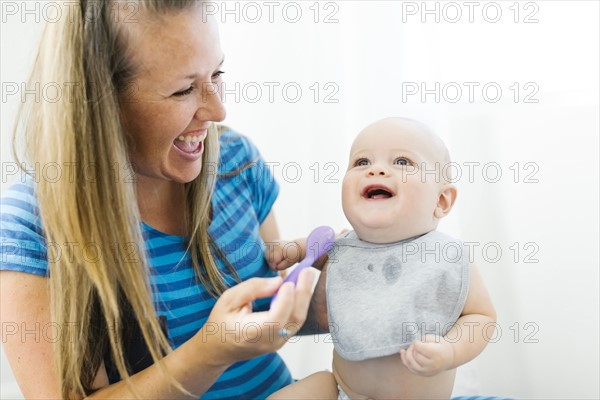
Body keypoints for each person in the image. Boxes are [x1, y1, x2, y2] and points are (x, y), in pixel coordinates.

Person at [0, 1, 324, 398]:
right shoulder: (29, 225)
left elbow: (264, 317)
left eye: (217, 73)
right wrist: (207, 354)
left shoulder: (237, 161)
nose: (218, 110)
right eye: (184, 89)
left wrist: (349, 285)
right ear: (99, 103)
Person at [268, 117, 497, 400]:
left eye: (402, 161)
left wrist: (450, 350)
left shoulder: (446, 257)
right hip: (340, 391)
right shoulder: (344, 246)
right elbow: (316, 250)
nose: (375, 170)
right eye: (362, 162)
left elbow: (481, 318)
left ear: (441, 201)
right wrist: (292, 250)